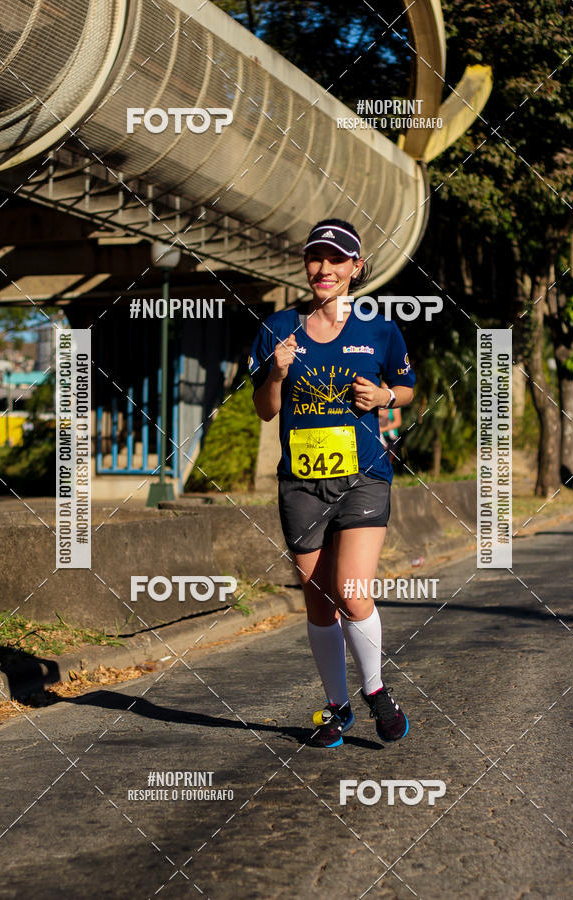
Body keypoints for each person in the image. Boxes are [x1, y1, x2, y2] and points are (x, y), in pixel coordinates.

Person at [248, 219, 416, 748]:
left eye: (337, 260)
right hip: (301, 482)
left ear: (355, 268)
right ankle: (337, 708)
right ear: (306, 264)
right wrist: (275, 374)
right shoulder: (277, 328)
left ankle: (377, 692)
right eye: (317, 258)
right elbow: (264, 412)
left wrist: (385, 398)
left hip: (364, 477)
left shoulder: (379, 329)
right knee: (319, 599)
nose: (325, 269)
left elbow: (408, 387)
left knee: (352, 591)